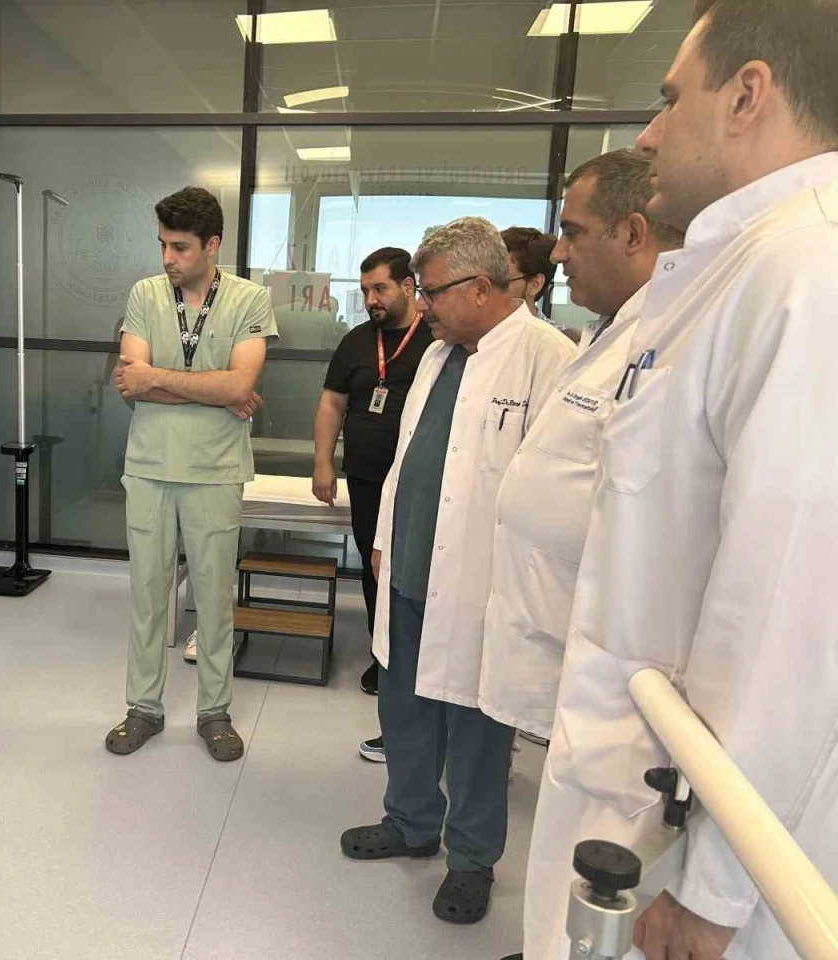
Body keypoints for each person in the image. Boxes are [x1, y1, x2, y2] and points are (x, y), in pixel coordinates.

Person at [521, 1, 838, 958]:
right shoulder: (732, 268)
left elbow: (793, 614)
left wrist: (713, 891)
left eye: (668, 99)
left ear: (747, 96)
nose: (650, 136)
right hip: (639, 780)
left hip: (706, 845)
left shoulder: (809, 273)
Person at [339, 218, 575, 924]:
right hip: (409, 568)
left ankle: (472, 859)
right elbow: (408, 458)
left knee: (478, 726)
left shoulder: (546, 358)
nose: (423, 303)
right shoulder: (440, 355)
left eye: (433, 291)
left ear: (478, 287)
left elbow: (554, 493)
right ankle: (411, 821)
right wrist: (384, 537)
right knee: (403, 705)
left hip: (484, 584)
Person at [480, 149, 683, 745]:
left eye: (572, 232)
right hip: (550, 629)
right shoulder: (607, 333)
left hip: (603, 654)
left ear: (632, 233)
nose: (559, 253)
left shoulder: (671, 341)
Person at [106, 186, 276, 762]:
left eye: (179, 247)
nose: (167, 258)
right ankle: (143, 709)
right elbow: (129, 383)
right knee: (148, 595)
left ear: (212, 244)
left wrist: (161, 378)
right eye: (163, 244)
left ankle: (214, 712)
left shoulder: (250, 300)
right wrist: (215, 390)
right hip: (149, 467)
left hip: (215, 470)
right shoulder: (145, 294)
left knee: (213, 596)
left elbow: (239, 384)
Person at [310, 247, 434, 759]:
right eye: (364, 291)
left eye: (380, 288)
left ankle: (418, 665)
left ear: (408, 286)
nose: (371, 300)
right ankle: (381, 658)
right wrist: (323, 462)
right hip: (365, 478)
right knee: (374, 570)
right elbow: (332, 402)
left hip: (419, 485)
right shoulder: (356, 342)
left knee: (414, 573)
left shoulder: (437, 339)